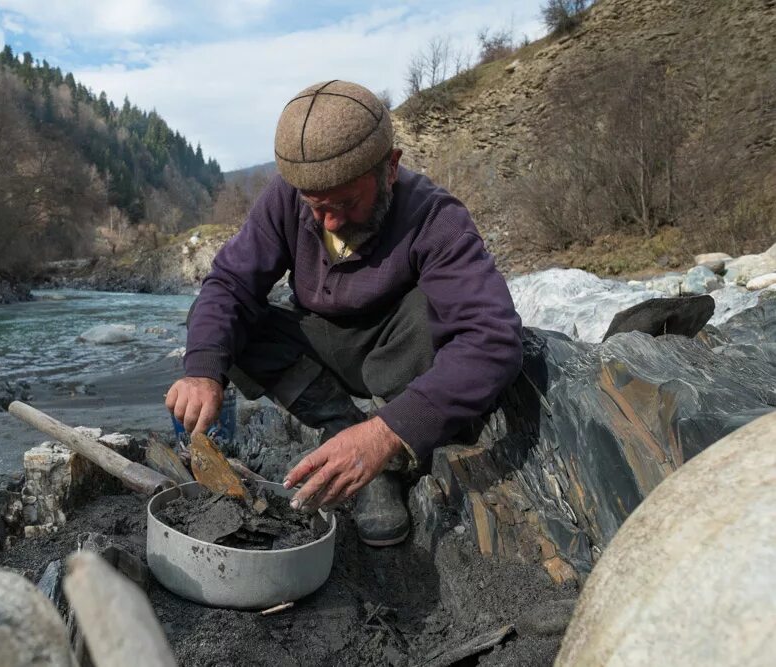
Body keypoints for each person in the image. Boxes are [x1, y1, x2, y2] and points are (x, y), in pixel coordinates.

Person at [166, 80, 522, 546]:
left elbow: (493, 339)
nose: (330, 221)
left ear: (390, 168)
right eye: (317, 207)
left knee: (431, 313)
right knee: (223, 326)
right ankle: (343, 427)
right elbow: (229, 285)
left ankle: (387, 459)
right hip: (322, 344)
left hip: (400, 352)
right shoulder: (285, 199)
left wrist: (389, 433)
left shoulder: (437, 218)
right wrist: (201, 373)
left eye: (347, 203)